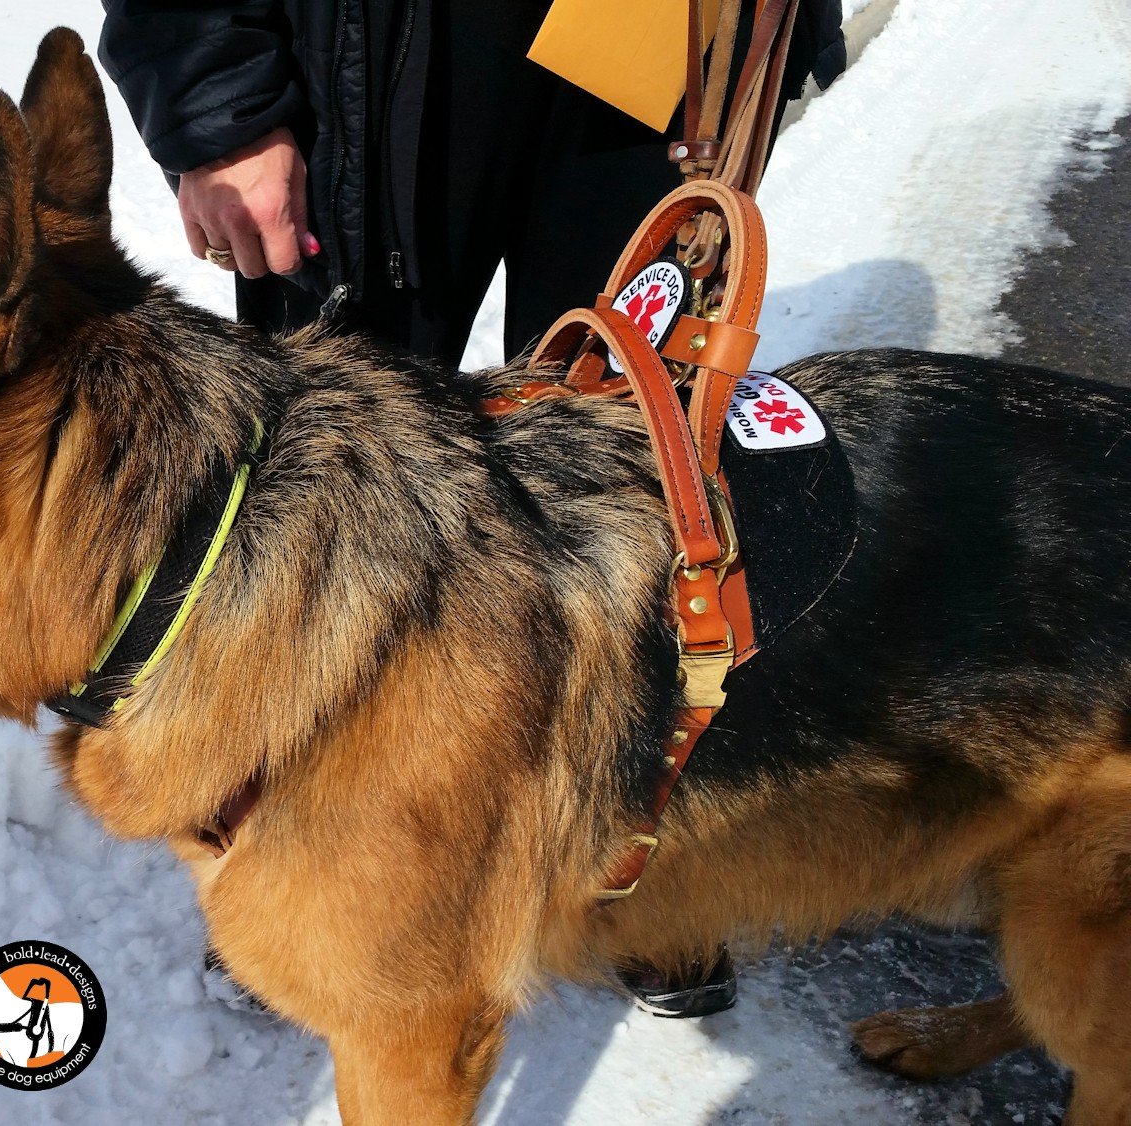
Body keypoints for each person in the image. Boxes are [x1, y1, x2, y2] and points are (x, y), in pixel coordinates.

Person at [99, 0, 845, 1016]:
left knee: (631, 450)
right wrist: (216, 98)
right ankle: (301, 864)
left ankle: (629, 844)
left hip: (652, 47)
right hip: (376, 48)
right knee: (326, 487)